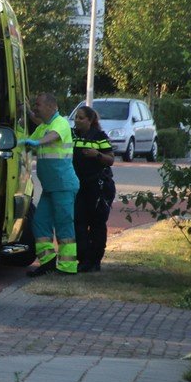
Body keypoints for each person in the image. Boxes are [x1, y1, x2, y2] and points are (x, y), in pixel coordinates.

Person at [20, 92, 80, 276]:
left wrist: (35, 142)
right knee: (39, 223)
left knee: (63, 225)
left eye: (38, 104)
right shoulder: (45, 126)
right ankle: (48, 262)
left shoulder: (60, 123)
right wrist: (27, 116)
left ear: (51, 106)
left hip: (63, 185)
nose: (36, 107)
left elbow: (51, 137)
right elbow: (36, 134)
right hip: (51, 187)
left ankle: (68, 267)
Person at [72, 105, 116, 272]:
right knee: (79, 222)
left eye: (81, 118)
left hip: (97, 186)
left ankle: (95, 261)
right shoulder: (72, 135)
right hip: (79, 185)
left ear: (90, 121)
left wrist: (96, 155)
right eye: (76, 117)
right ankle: (83, 260)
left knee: (97, 224)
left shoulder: (99, 137)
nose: (77, 120)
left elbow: (110, 159)